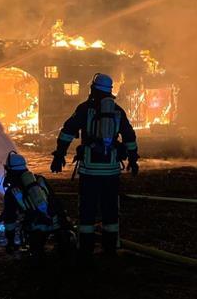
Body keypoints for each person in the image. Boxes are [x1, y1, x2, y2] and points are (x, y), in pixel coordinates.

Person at [50, 73, 138, 258]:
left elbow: (67, 132)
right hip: (111, 171)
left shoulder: (84, 109)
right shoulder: (118, 111)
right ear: (109, 91)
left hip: (89, 170)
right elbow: (129, 137)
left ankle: (86, 249)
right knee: (110, 210)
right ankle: (110, 249)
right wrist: (133, 160)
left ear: (93, 88)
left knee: (87, 210)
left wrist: (59, 155)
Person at [1, 151, 72, 260]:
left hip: (36, 227)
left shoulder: (12, 190)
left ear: (9, 169)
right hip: (56, 222)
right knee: (64, 253)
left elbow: (9, 218)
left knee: (36, 256)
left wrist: (10, 241)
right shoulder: (40, 180)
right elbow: (55, 201)